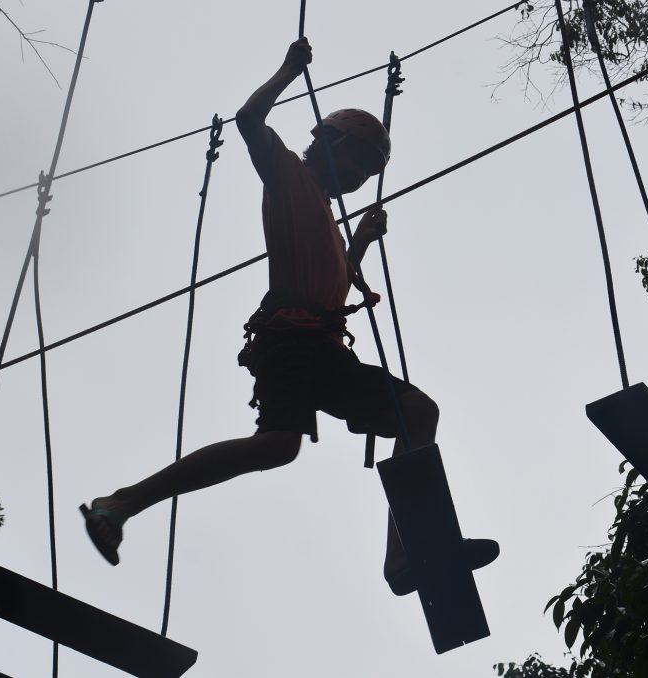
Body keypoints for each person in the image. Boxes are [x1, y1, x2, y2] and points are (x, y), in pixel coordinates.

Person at [81, 37, 498, 595]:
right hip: (291, 342)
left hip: (322, 345)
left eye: (369, 173)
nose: (361, 179)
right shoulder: (287, 176)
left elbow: (330, 285)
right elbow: (249, 120)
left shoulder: (325, 212)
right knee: (279, 446)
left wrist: (359, 246)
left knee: (418, 414)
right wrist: (287, 70)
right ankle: (120, 503)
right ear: (332, 142)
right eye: (360, 163)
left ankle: (405, 554)